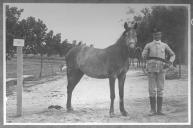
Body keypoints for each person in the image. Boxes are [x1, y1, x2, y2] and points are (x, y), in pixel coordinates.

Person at [142, 28, 175, 116]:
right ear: (153, 35)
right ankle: (152, 110)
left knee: (161, 89)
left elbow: (172, 54)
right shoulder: (148, 45)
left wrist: (170, 62)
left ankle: (159, 111)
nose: (157, 36)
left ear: (161, 35)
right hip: (151, 69)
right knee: (151, 90)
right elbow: (143, 56)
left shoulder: (164, 45)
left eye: (159, 34)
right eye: (155, 34)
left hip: (162, 69)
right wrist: (144, 55)